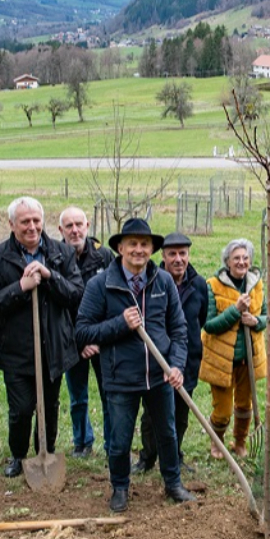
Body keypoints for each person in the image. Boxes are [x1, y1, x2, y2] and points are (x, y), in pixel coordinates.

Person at [75, 218, 195, 513]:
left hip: (159, 375)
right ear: (120, 248)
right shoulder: (101, 285)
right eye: (133, 244)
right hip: (120, 376)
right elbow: (82, 331)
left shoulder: (163, 281)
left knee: (166, 433)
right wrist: (120, 324)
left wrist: (176, 365)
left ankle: (173, 483)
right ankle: (120, 487)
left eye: (145, 244)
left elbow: (179, 329)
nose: (139, 250)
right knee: (119, 439)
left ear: (153, 249)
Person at [0, 197, 85, 478]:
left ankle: (46, 452)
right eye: (25, 221)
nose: (32, 227)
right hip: (17, 349)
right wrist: (21, 287)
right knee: (22, 408)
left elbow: (76, 294)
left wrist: (50, 277)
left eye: (36, 220)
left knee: (49, 407)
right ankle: (18, 455)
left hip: (54, 347)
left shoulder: (61, 253)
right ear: (12, 224)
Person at [135, 232, 209, 473]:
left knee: (181, 414)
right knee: (151, 415)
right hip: (158, 360)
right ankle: (147, 457)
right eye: (172, 254)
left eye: (183, 253)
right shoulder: (155, 283)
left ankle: (175, 457)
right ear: (163, 256)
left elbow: (201, 318)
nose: (178, 259)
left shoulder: (198, 284)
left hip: (187, 362)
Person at [201, 238, 268, 460]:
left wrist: (255, 321)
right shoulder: (212, 285)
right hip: (221, 360)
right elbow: (209, 325)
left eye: (245, 258)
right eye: (236, 258)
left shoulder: (256, 283)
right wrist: (235, 311)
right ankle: (217, 442)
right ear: (227, 262)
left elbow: (266, 316)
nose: (241, 262)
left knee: (244, 405)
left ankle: (240, 442)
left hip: (248, 359)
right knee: (222, 410)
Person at [58, 206, 115, 458]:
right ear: (61, 230)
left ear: (88, 226)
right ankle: (82, 442)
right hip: (72, 342)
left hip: (103, 342)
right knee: (77, 396)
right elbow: (57, 310)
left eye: (79, 224)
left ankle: (112, 444)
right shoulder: (55, 257)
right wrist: (79, 342)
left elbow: (114, 302)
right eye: (69, 226)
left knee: (109, 395)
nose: (75, 230)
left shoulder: (104, 257)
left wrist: (99, 338)